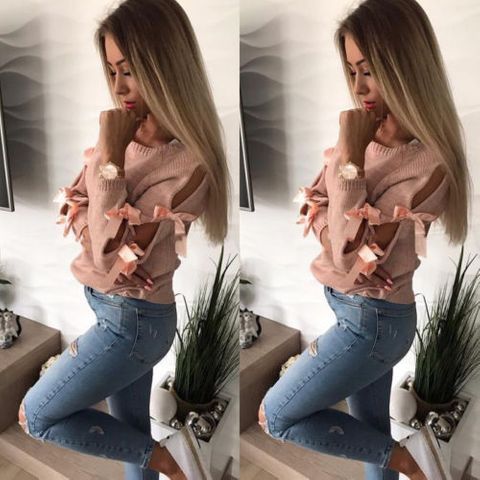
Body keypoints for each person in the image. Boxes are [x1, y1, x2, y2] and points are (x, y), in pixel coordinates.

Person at [258, 1, 470, 479]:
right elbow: (315, 203)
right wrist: (333, 218)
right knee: (369, 432)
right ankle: (399, 461)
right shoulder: (363, 132)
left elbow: (347, 250)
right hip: (353, 309)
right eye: (352, 70)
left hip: (374, 322)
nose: (357, 87)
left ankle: (414, 461)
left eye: (369, 71)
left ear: (405, 67)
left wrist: (350, 155)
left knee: (276, 416)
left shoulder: (428, 163)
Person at [17, 1, 230, 479]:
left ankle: (175, 460)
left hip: (133, 321)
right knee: (129, 431)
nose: (118, 87)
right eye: (112, 70)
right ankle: (160, 460)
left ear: (165, 68)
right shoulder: (125, 133)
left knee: (37, 416)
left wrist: (109, 152)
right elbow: (77, 203)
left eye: (130, 71)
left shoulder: (188, 164)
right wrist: (100, 191)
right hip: (115, 309)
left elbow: (108, 249)